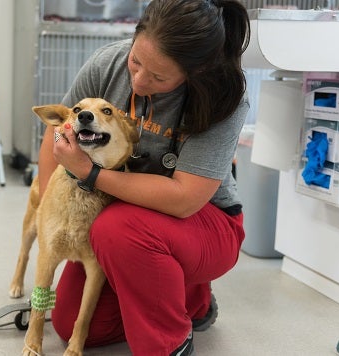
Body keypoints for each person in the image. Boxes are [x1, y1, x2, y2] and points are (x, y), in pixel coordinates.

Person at [38, 0, 251, 355]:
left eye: (158, 77)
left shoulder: (224, 96)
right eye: (136, 62)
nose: (138, 81)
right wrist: (52, 210)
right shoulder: (108, 62)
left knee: (118, 228)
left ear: (195, 72)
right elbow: (56, 137)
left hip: (204, 223)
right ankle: (180, 294)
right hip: (115, 211)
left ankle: (170, 339)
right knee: (73, 324)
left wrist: (90, 173)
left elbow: (184, 198)